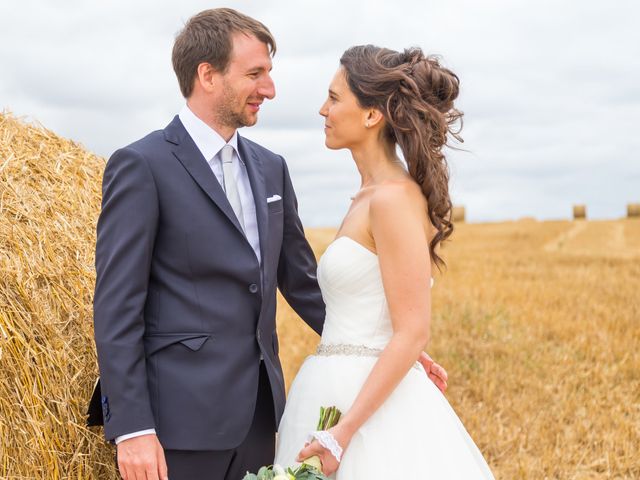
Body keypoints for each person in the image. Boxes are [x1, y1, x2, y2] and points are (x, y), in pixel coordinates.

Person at [91, 9, 448, 480]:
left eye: (269, 74)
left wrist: (385, 342)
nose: (269, 89)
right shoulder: (142, 165)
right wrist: (133, 427)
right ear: (208, 75)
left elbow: (300, 280)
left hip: (263, 420)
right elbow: (116, 305)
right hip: (176, 424)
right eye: (255, 74)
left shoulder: (271, 167)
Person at [274, 45, 495, 478]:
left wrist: (341, 434)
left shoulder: (392, 198)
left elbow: (413, 330)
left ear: (372, 115)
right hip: (334, 389)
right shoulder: (367, 195)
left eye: (335, 98)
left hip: (365, 412)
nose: (323, 109)